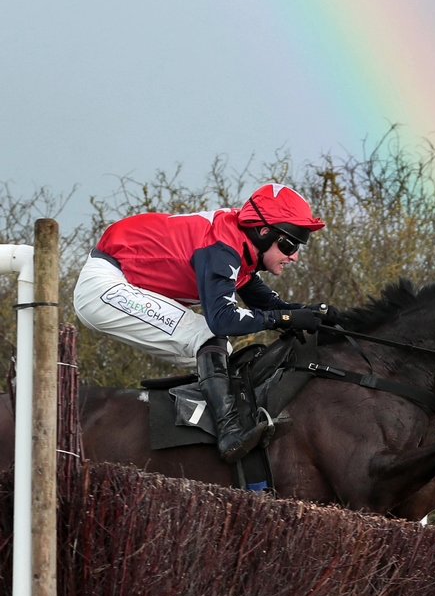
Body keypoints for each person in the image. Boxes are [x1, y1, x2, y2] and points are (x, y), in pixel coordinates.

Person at [74, 182, 336, 463]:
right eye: (289, 244)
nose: (294, 256)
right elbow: (224, 320)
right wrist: (285, 318)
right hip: (103, 288)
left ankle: (202, 424)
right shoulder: (222, 250)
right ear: (263, 232)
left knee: (221, 353)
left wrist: (314, 316)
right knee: (209, 336)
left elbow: (272, 306)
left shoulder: (240, 241)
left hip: (120, 276)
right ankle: (229, 434)